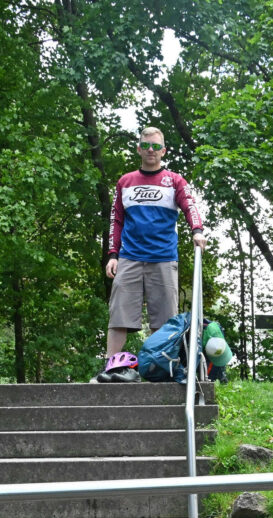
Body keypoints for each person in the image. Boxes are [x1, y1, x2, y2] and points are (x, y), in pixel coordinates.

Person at [97, 126, 207, 383]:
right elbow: (116, 219)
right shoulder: (125, 182)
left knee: (165, 319)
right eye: (146, 145)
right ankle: (109, 369)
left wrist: (197, 230)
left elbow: (190, 206)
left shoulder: (174, 180)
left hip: (163, 258)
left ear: (163, 151)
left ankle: (163, 368)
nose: (151, 150)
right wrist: (113, 254)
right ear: (138, 148)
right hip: (130, 257)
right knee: (119, 314)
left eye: (156, 146)